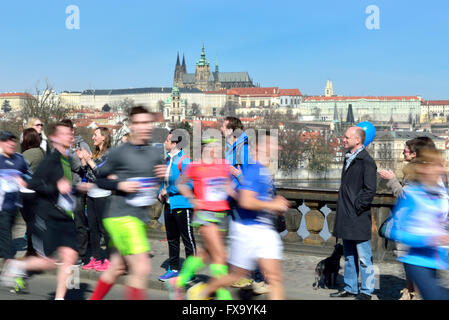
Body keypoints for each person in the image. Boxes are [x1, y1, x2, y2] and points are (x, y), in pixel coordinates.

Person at [198, 130, 289, 300]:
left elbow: (259, 198)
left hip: (265, 230)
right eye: (271, 145)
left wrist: (275, 203)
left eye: (276, 145)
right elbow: (246, 201)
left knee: (275, 278)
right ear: (259, 149)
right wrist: (272, 204)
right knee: (236, 276)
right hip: (246, 230)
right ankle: (202, 293)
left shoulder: (265, 171)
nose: (276, 148)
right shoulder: (254, 170)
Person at [1, 122, 88, 299]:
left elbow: (65, 189)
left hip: (64, 216)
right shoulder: (50, 160)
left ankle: (59, 297)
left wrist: (79, 188)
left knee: (70, 257)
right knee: (49, 262)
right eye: (65, 134)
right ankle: (19, 267)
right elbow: (34, 185)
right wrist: (55, 186)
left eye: (70, 133)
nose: (70, 136)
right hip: (48, 216)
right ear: (55, 138)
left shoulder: (67, 158)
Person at [88, 106, 166, 300]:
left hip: (138, 218)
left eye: (147, 123)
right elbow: (100, 179)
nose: (144, 127)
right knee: (141, 268)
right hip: (120, 216)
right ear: (132, 126)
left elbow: (150, 185)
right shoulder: (120, 152)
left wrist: (160, 176)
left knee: (116, 268)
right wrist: (120, 184)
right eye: (139, 123)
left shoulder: (155, 153)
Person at [166, 138, 235, 300]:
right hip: (205, 214)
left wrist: (237, 196)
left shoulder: (223, 164)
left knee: (205, 255)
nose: (219, 150)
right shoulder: (196, 166)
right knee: (220, 257)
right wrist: (192, 198)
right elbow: (181, 183)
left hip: (221, 214)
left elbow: (227, 185)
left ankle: (178, 282)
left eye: (219, 147)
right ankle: (224, 296)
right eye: (215, 147)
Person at [379, 137, 437, 300]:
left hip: (416, 225)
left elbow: (407, 197)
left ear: (416, 153)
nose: (403, 151)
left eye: (406, 149)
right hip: (411, 224)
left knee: (415, 263)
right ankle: (409, 292)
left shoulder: (422, 173)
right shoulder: (415, 170)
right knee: (410, 262)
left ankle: (415, 295)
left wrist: (392, 180)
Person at [389, 148, 449, 300]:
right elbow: (397, 231)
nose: (441, 169)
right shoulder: (412, 196)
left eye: (441, 165)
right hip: (416, 261)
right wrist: (429, 239)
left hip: (436, 260)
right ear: (425, 169)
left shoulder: (440, 195)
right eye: (436, 165)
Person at [221, 116, 267, 294]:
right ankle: (245, 275)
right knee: (239, 238)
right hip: (232, 198)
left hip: (241, 198)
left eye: (223, 127)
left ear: (232, 130)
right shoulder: (232, 148)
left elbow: (248, 177)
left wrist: (235, 177)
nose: (221, 129)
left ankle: (256, 278)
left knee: (247, 239)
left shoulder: (243, 148)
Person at [330, 126, 377, 300]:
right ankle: (350, 287)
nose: (343, 139)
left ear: (358, 140)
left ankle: (367, 291)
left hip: (358, 215)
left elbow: (370, 189)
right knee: (349, 255)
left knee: (365, 257)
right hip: (347, 214)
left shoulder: (367, 161)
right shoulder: (349, 158)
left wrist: (357, 206)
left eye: (346, 137)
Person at [157, 129, 196, 282]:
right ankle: (173, 269)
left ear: (175, 143)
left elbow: (190, 184)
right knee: (172, 239)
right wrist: (160, 192)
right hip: (168, 205)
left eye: (167, 140)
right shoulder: (167, 160)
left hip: (183, 204)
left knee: (188, 239)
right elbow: (163, 182)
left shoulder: (184, 160)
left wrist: (169, 190)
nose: (165, 143)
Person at [77, 127, 112, 272]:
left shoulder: (109, 154)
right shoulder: (96, 153)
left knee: (105, 229)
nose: (92, 137)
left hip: (103, 195)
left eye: (95, 135)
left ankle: (110, 260)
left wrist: (89, 160)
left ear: (103, 137)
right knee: (92, 229)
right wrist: (83, 161)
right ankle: (96, 258)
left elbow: (101, 174)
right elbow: (88, 173)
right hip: (91, 195)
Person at [60, 119, 91, 266]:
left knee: (79, 222)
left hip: (77, 188)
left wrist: (69, 155)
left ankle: (81, 254)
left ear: (72, 131)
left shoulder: (81, 145)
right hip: (63, 189)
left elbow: (83, 167)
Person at [0, 131, 32, 263]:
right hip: (1, 207)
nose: (11, 143)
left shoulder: (19, 159)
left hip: (13, 207)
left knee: (5, 236)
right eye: (7, 141)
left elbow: (30, 176)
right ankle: (11, 270)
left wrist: (26, 182)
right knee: (6, 237)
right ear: (1, 143)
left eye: (13, 140)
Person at [21, 128, 45, 257]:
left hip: (27, 192)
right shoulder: (41, 152)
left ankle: (31, 251)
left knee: (30, 222)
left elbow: (19, 168)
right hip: (38, 191)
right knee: (33, 222)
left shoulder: (28, 154)